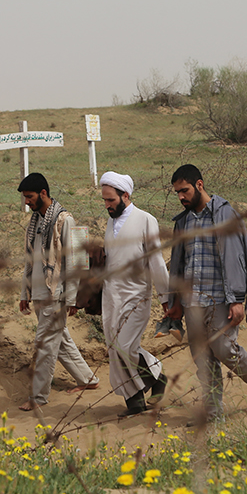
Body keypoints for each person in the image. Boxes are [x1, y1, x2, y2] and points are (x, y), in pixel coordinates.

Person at [168, 164, 247, 420]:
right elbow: (179, 264)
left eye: (185, 190)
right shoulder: (183, 222)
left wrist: (237, 300)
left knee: (224, 348)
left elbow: (238, 259)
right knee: (202, 358)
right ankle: (213, 414)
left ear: (199, 185)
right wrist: (176, 301)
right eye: (177, 192)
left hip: (222, 299)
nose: (181, 196)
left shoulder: (225, 215)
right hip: (193, 301)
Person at [17, 173, 100, 412]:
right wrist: (25, 293)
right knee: (59, 340)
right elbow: (29, 261)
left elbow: (78, 262)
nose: (26, 202)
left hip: (57, 297)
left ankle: (38, 397)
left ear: (43, 193)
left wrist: (73, 298)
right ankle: (88, 379)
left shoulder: (67, 220)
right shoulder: (34, 224)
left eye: (30, 197)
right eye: (25, 198)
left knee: (44, 343)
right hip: (40, 296)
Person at [99, 171, 169, 416]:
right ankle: (134, 401)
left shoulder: (145, 219)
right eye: (105, 200)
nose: (107, 205)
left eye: (111, 200)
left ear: (125, 195)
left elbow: (156, 261)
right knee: (114, 348)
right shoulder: (110, 222)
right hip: (111, 296)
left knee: (126, 346)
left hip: (137, 295)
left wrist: (166, 297)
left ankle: (157, 376)